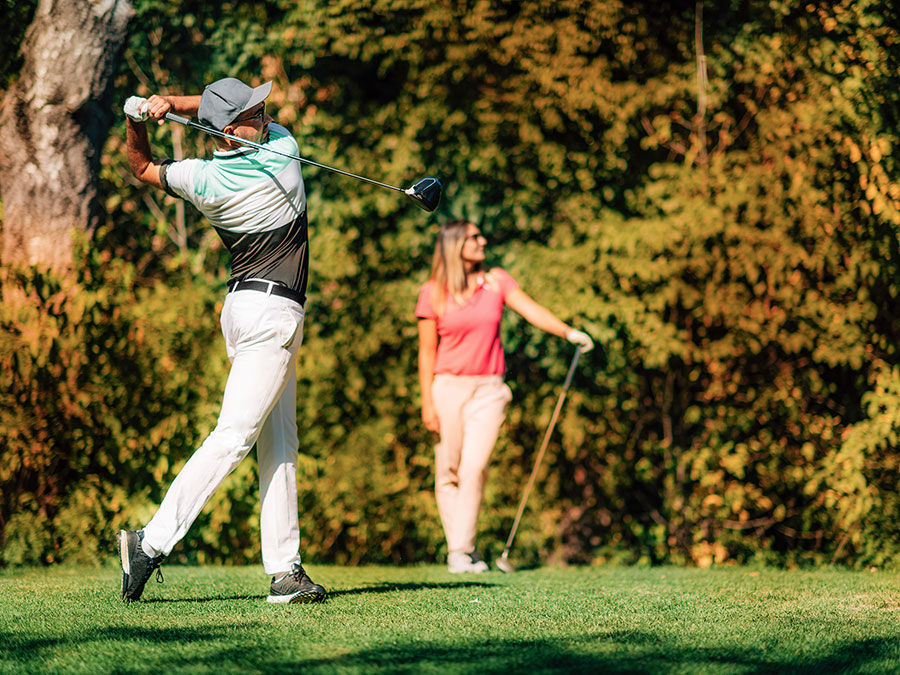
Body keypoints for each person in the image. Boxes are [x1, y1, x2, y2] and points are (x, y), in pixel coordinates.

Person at [118, 77, 325, 604]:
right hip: (271, 316)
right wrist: (171, 105)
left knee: (280, 441)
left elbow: (140, 167)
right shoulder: (282, 151)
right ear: (233, 131)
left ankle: (285, 571)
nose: (267, 112)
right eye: (255, 112)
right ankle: (151, 541)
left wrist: (138, 118)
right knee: (234, 435)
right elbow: (221, 118)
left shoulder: (201, 177)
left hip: (245, 308)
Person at [415, 220, 594, 573]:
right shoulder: (432, 292)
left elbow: (531, 310)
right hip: (447, 388)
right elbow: (426, 352)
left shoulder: (496, 282)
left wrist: (568, 332)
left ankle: (461, 551)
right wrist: (427, 403)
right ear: (455, 246)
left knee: (474, 467)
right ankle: (461, 552)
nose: (483, 241)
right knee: (447, 472)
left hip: (490, 390)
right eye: (474, 237)